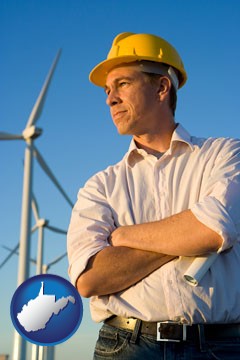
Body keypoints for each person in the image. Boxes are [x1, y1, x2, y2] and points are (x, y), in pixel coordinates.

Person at [67, 32, 240, 359]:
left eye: (122, 84)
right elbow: (90, 279)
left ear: (162, 88)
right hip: (126, 345)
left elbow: (213, 228)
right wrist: (186, 236)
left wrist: (123, 237)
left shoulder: (226, 154)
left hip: (221, 346)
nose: (110, 99)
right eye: (107, 90)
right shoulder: (100, 185)